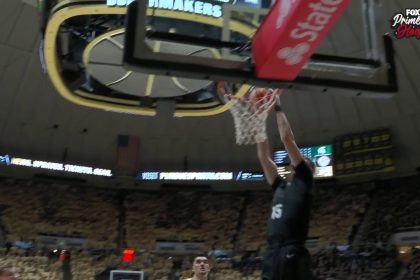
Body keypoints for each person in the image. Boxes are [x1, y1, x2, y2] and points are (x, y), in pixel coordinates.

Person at [255, 88, 316, 280]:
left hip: (292, 250)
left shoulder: (304, 179)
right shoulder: (279, 186)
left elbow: (286, 139)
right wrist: (259, 118)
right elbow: (264, 157)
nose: (293, 163)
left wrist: (277, 107)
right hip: (272, 253)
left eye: (299, 162)